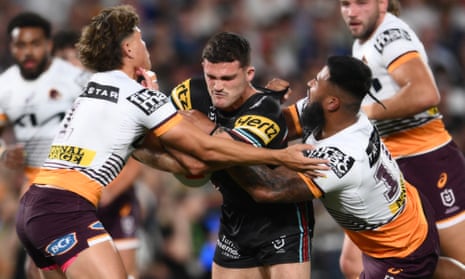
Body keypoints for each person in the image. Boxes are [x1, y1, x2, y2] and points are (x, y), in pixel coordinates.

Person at [14, 5, 324, 279]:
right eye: (140, 39)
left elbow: (183, 162)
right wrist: (283, 157)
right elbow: (202, 153)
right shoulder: (140, 97)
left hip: (34, 207)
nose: (145, 44)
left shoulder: (96, 84)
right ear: (128, 49)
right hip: (66, 209)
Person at [224, 55, 465, 278]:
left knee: (426, 266)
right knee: (432, 268)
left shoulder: (342, 157)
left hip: (401, 251)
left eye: (317, 82)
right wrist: (264, 103)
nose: (309, 83)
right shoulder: (337, 112)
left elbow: (267, 189)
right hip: (410, 211)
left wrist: (223, 145)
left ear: (332, 102)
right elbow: (283, 125)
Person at [168, 31, 315, 279]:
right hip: (234, 219)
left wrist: (201, 125)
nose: (217, 86)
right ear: (202, 67)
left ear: (249, 75)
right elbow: (158, 131)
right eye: (211, 76)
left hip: (281, 223)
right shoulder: (189, 93)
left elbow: (227, 152)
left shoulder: (266, 109)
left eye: (227, 78)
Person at [336, 0, 465, 277]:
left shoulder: (389, 36)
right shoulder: (363, 43)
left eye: (360, 3)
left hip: (425, 159)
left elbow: (425, 94)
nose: (351, 11)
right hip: (387, 163)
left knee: (457, 256)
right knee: (354, 264)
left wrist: (364, 112)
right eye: (345, 3)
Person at [0, 11, 89, 278]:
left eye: (35, 44)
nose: (28, 52)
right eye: (20, 45)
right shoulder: (6, 87)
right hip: (37, 189)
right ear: (11, 47)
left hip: (84, 184)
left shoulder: (75, 79)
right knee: (37, 268)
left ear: (48, 45)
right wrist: (4, 152)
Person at [52, 28, 144, 279]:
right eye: (64, 60)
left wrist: (109, 193)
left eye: (75, 58)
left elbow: (136, 158)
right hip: (69, 204)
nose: (71, 66)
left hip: (112, 202)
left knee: (126, 274)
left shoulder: (110, 97)